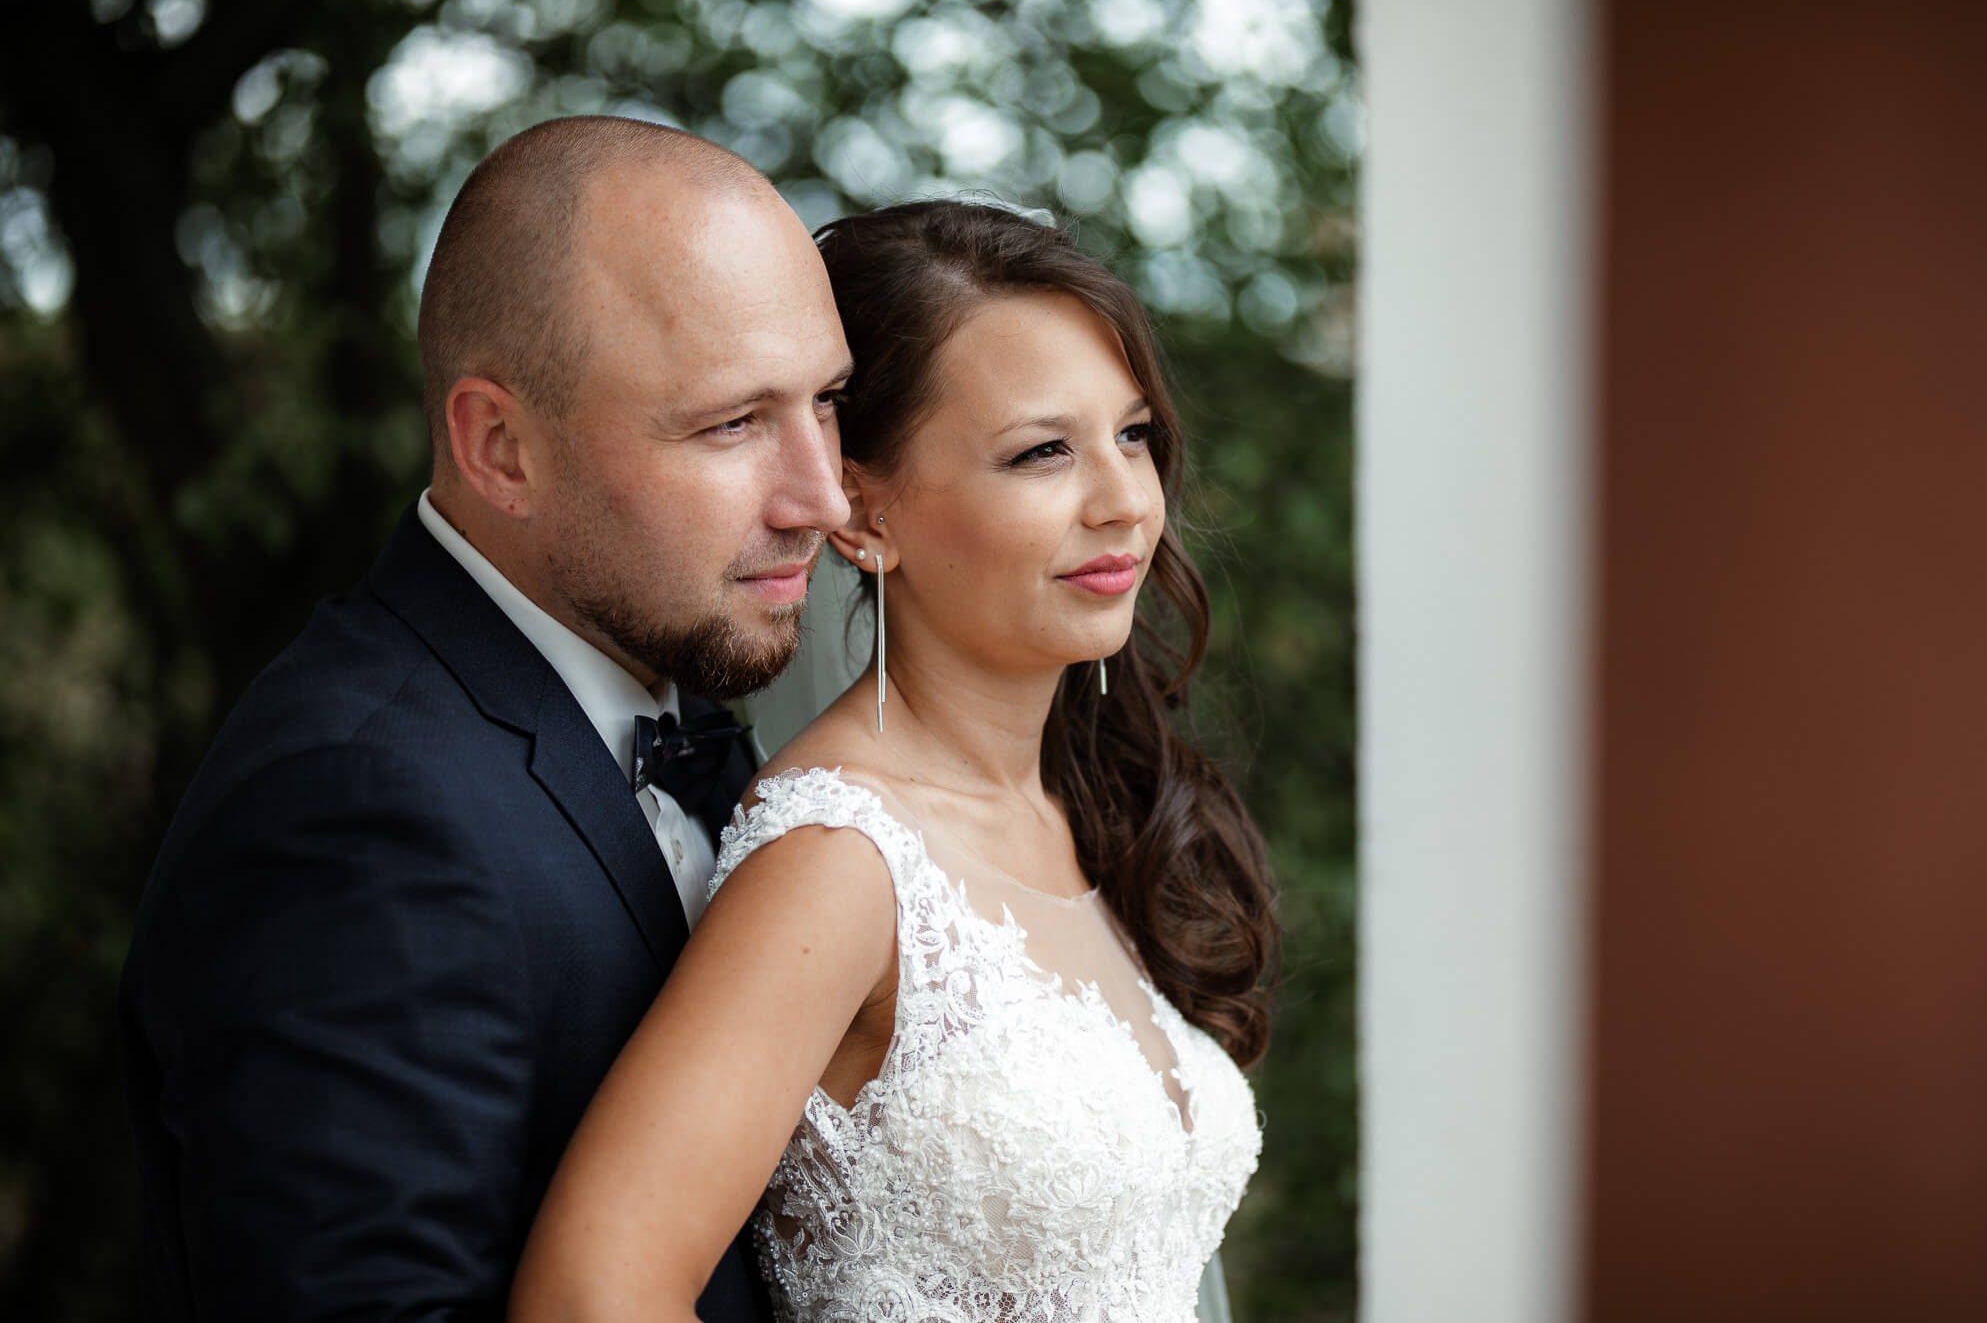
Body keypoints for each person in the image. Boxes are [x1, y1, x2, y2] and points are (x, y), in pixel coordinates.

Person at [118, 116, 850, 1320]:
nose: (818, 494)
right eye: (731, 424)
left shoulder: (698, 718)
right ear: (501, 447)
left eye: (825, 401)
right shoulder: (355, 802)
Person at [511, 201, 1278, 1322]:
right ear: (864, 514)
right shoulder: (837, 857)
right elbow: (593, 1289)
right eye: (1041, 453)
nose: (1123, 502)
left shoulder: (1080, 810)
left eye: (1132, 435)